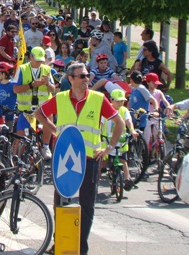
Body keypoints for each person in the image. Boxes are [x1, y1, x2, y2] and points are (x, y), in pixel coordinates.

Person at [36, 61, 124, 255]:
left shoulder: (98, 98)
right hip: (65, 158)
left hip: (90, 159)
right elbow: (39, 113)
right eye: (82, 76)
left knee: (87, 205)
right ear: (71, 79)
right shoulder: (60, 98)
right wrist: (54, 130)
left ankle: (81, 247)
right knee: (61, 202)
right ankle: (60, 242)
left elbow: (119, 123)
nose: (87, 79)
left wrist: (109, 148)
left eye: (87, 75)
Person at [13, 46, 56, 160]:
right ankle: (16, 159)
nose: (39, 63)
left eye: (41, 61)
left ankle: (45, 146)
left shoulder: (47, 69)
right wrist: (31, 85)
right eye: (37, 60)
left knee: (49, 117)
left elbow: (53, 89)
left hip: (42, 106)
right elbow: (15, 89)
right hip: (26, 107)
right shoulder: (22, 69)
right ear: (31, 57)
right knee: (21, 135)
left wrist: (47, 83)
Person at [103, 89, 137, 190]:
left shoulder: (124, 110)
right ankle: (95, 179)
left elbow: (128, 121)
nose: (120, 103)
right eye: (117, 101)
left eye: (122, 101)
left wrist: (132, 130)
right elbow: (101, 123)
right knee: (103, 160)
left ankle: (127, 179)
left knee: (123, 160)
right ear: (111, 100)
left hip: (120, 140)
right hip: (107, 139)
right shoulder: (106, 109)